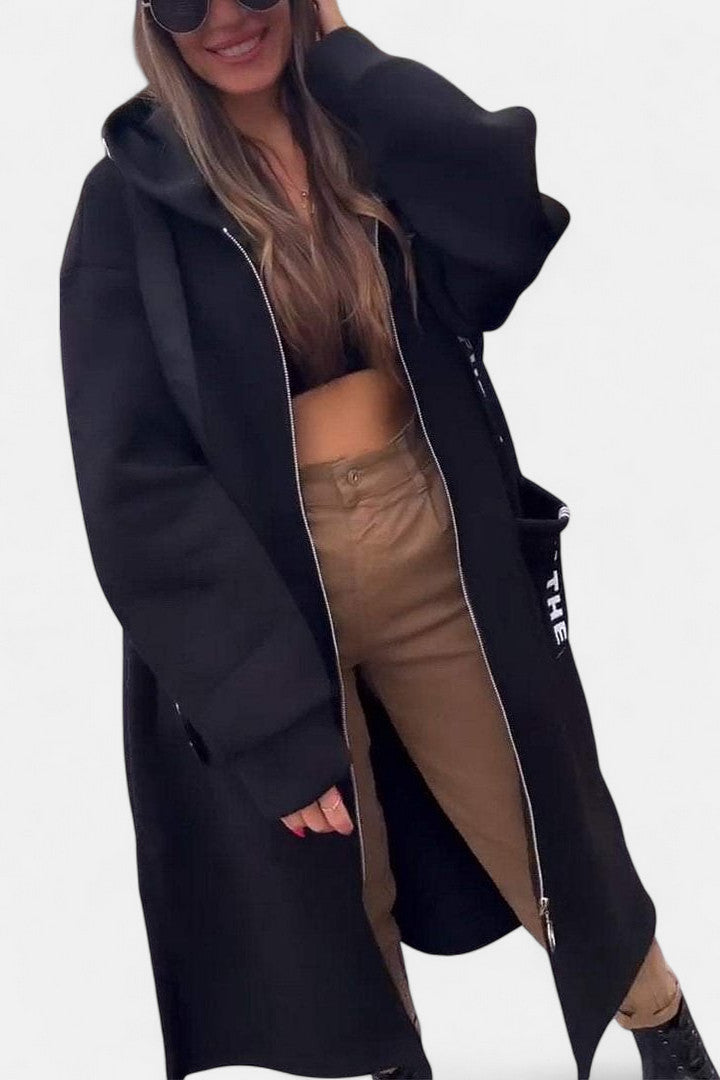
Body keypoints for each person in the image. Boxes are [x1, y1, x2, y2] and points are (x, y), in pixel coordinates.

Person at [58, 1, 718, 1078]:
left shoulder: (364, 132)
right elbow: (132, 481)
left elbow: (507, 224)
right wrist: (267, 719)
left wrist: (350, 60)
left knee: (545, 827)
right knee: (333, 883)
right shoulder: (128, 199)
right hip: (266, 587)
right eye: (187, 0)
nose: (225, 20)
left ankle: (663, 1025)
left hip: (433, 539)